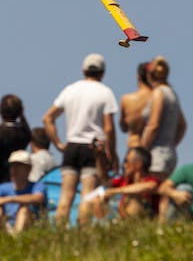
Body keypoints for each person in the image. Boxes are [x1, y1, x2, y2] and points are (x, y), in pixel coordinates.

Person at [42, 53, 119, 226]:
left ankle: (60, 232)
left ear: (83, 70)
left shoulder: (70, 90)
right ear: (102, 72)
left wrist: (59, 144)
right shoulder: (105, 93)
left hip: (71, 146)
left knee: (65, 196)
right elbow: (108, 127)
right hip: (92, 148)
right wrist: (112, 153)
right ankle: (82, 231)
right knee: (87, 195)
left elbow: (47, 118)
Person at [0, 150, 46, 237]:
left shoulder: (37, 185)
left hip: (29, 228)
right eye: (12, 166)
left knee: (24, 210)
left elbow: (37, 198)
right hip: (5, 226)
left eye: (18, 166)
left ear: (29, 168)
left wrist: (7, 199)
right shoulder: (3, 187)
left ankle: (17, 243)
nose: (14, 170)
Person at [141, 56, 187, 182]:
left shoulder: (158, 93)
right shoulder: (172, 94)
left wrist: (141, 151)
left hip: (157, 155)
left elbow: (153, 125)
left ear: (150, 74)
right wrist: (171, 143)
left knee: (154, 195)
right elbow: (182, 125)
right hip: (169, 153)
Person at [87, 146, 159, 220]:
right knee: (97, 200)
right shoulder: (124, 180)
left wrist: (114, 191)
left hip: (148, 220)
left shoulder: (151, 180)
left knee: (134, 199)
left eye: (126, 161)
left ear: (138, 164)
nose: (124, 165)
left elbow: (151, 186)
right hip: (123, 216)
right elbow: (104, 179)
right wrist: (99, 157)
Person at [119, 61, 153, 148]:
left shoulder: (126, 99)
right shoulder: (157, 98)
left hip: (134, 147)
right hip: (152, 147)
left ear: (138, 78)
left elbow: (123, 127)